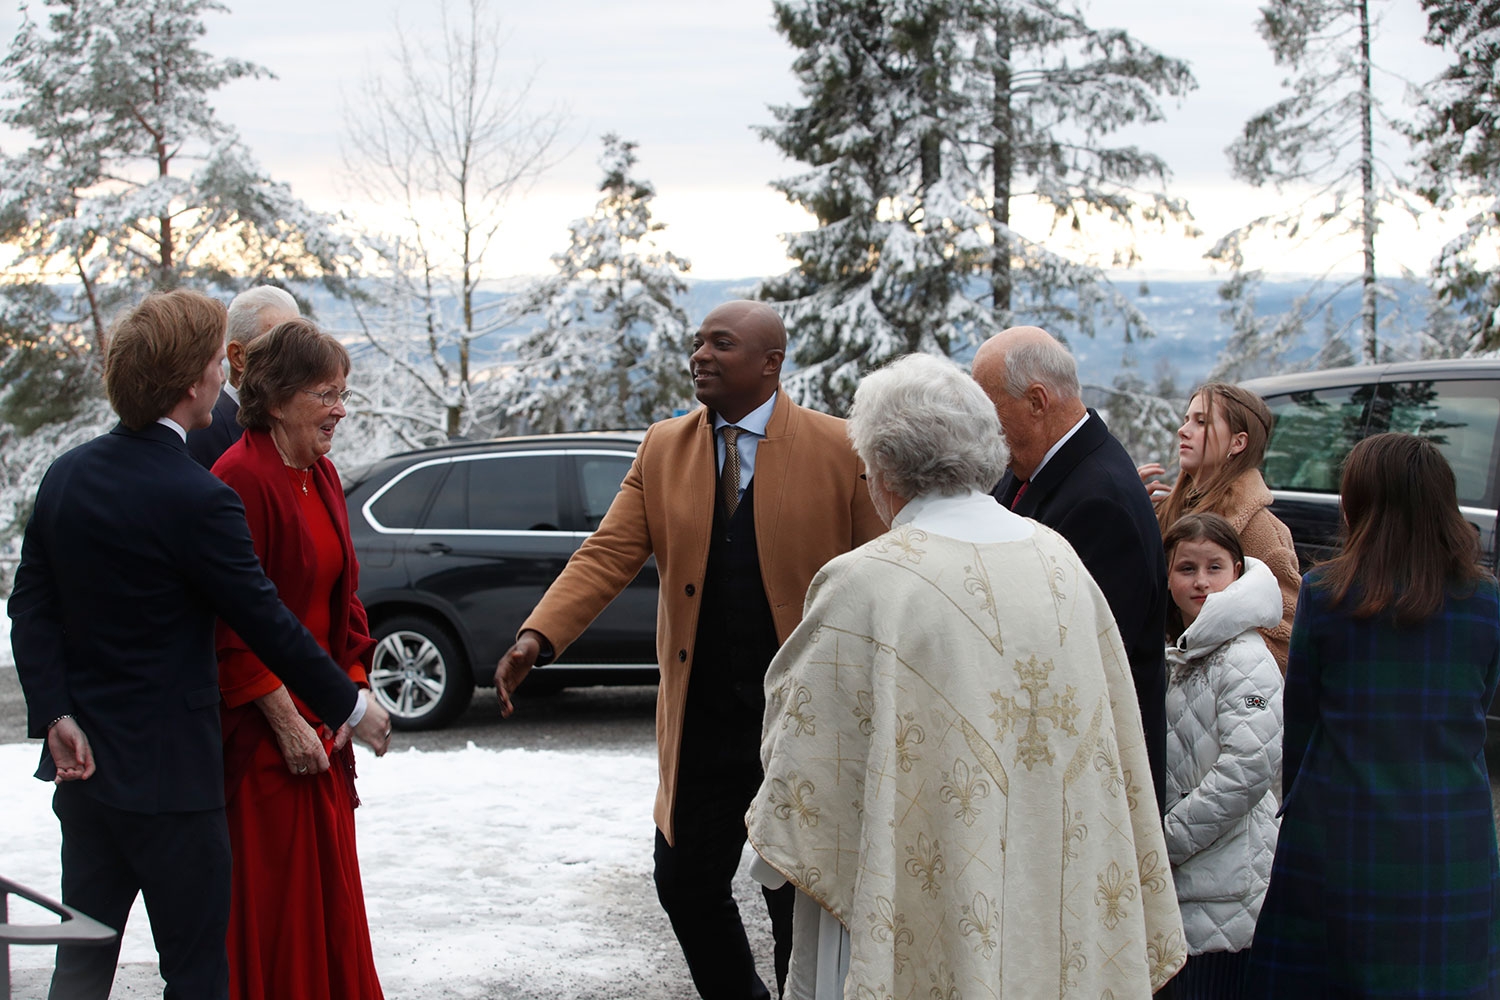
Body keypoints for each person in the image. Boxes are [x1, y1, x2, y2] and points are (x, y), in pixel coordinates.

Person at [747, 354, 1185, 999]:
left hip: (921, 874)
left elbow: (806, 751)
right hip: (1053, 867)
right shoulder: (1056, 555)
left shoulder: (867, 582)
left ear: (884, 466)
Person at [7, 289, 391, 1000]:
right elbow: (263, 618)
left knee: (82, 963)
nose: (226, 374)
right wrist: (349, 704)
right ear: (192, 384)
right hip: (175, 787)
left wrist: (57, 713)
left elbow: (30, 610)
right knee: (197, 974)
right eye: (219, 362)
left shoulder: (66, 475)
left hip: (84, 776)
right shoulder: (201, 495)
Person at [495, 300, 884, 1000]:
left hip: (802, 724)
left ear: (771, 363)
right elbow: (608, 552)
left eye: (721, 344)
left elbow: (884, 570)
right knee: (685, 885)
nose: (700, 355)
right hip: (701, 724)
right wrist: (538, 634)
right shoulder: (663, 446)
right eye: (697, 343)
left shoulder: (840, 449)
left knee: (797, 902)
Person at [1246, 433, 1500, 997]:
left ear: (1360, 503)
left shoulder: (1327, 594)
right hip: (1449, 830)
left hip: (1340, 828)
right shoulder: (1486, 601)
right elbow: (1475, 710)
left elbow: (1304, 718)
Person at [211, 318, 383, 999]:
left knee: (329, 911)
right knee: (279, 918)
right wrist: (286, 721)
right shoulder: (239, 477)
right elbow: (230, 620)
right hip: (266, 742)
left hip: (324, 729)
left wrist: (355, 687)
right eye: (326, 393)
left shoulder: (323, 470)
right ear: (277, 398)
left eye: (344, 393)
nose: (341, 408)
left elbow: (347, 600)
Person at [972, 325, 1170, 813]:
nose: (985, 429)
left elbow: (1076, 665)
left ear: (1037, 401)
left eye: (990, 409)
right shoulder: (1039, 469)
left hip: (1089, 784)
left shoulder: (1099, 501)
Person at [1161, 513, 1282, 1000]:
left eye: (1215, 567)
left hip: (1224, 887)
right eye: (1187, 568)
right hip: (1185, 888)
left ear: (1237, 570)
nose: (1202, 581)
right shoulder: (1175, 648)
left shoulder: (1244, 657)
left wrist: (1165, 841)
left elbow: (1249, 767)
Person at [1140, 384, 1299, 669]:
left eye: (1201, 422)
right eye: (1187, 419)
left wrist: (1200, 665)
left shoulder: (1260, 528)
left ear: (1238, 443)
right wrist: (1131, 510)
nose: (1183, 430)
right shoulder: (1167, 510)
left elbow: (1283, 637)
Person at [187, 285, 301, 468]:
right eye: (279, 349)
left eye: (299, 347)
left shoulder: (296, 428)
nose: (295, 362)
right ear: (238, 356)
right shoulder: (207, 433)